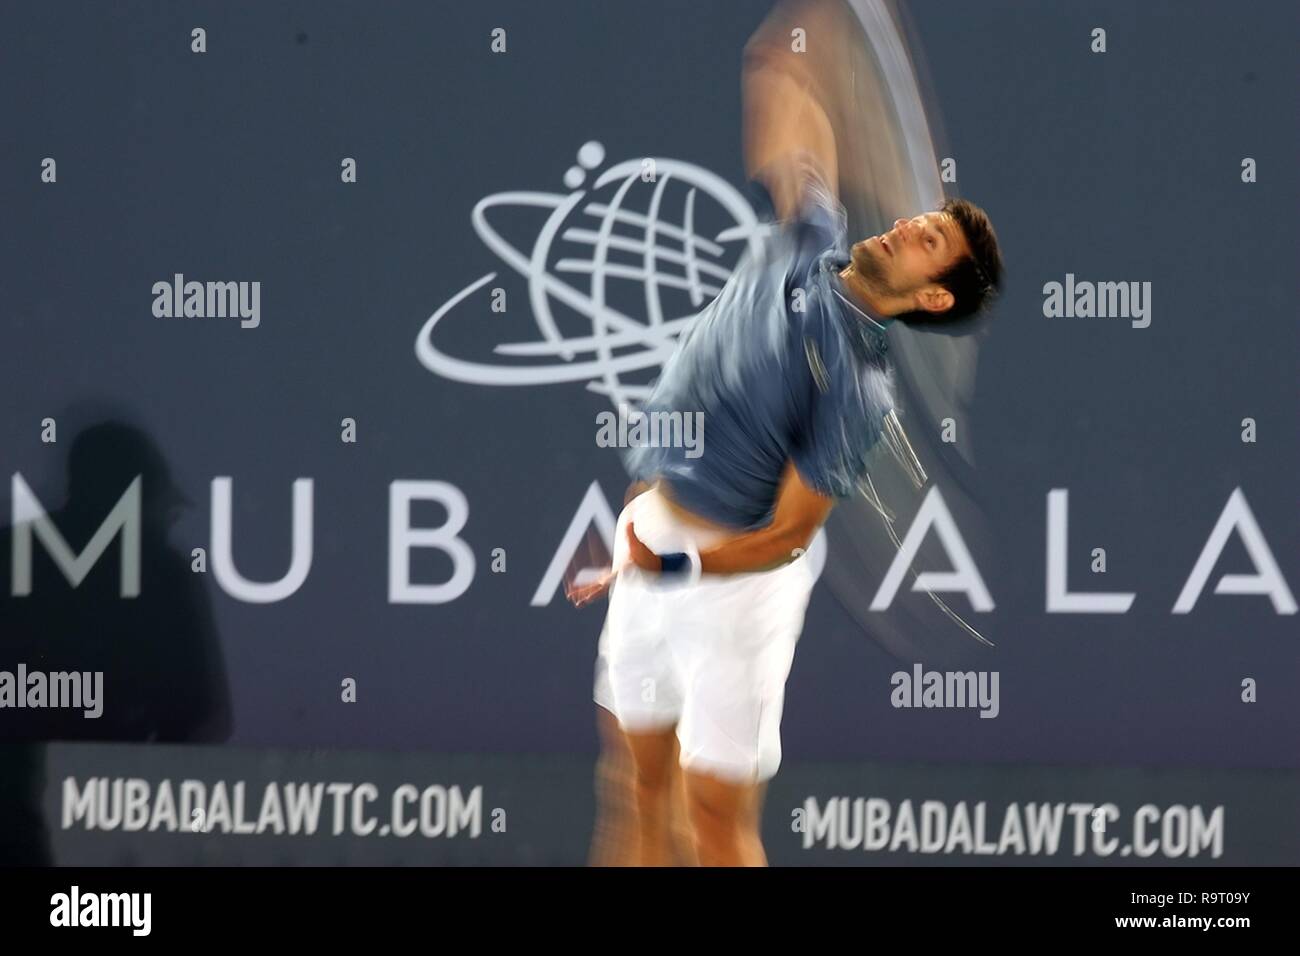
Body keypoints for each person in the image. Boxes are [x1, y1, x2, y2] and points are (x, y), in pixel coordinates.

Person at [571, 0, 1003, 866]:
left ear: (933, 298)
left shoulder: (859, 389)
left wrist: (681, 566)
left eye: (927, 243)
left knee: (720, 820)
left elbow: (786, 539)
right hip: (658, 528)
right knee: (635, 785)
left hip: (738, 593)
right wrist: (805, 37)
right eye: (920, 221)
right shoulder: (814, 229)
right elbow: (778, 85)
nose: (905, 226)